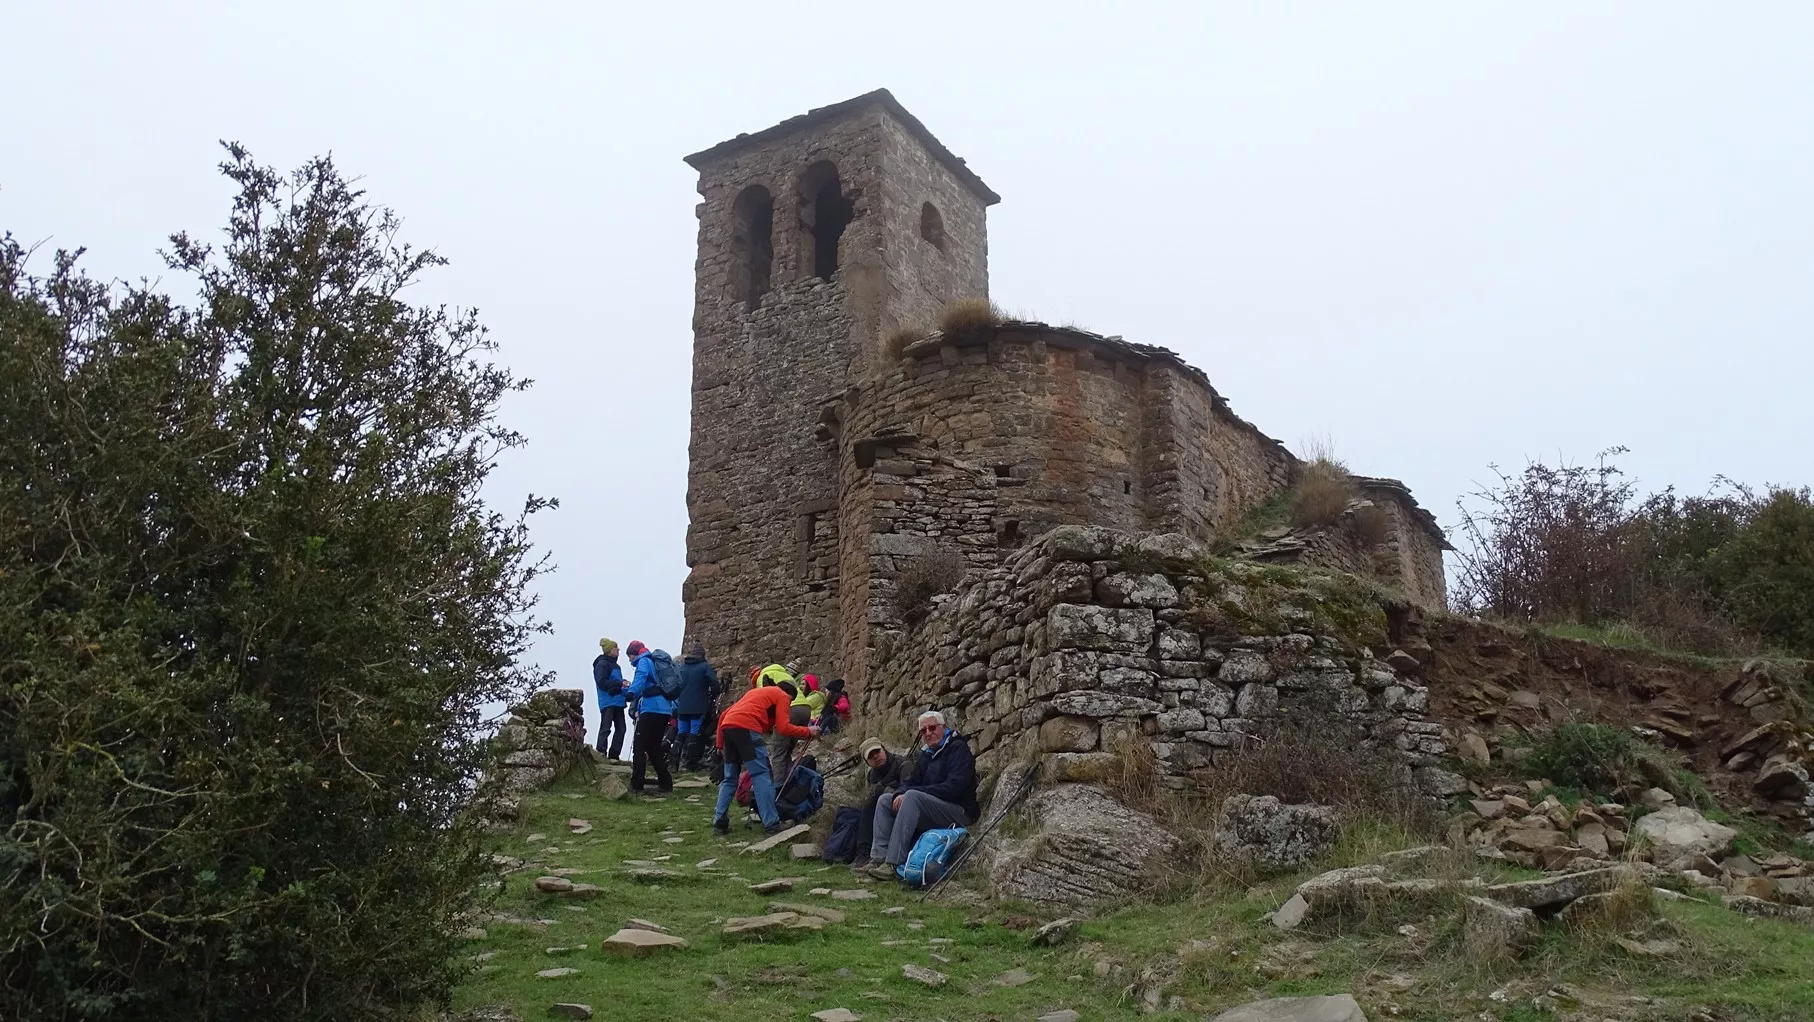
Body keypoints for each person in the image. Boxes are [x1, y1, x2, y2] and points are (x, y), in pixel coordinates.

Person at [862, 710, 979, 881]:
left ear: (943, 727)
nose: (928, 733)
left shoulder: (958, 749)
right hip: (935, 808)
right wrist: (900, 793)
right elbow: (911, 780)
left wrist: (913, 793)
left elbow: (956, 787)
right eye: (923, 731)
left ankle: (893, 863)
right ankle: (879, 857)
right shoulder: (926, 754)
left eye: (932, 728)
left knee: (913, 796)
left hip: (959, 811)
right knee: (886, 800)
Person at [713, 679, 820, 836]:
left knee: (730, 779)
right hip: (748, 728)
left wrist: (719, 746)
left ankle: (719, 822)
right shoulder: (783, 696)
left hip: (728, 728)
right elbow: (783, 727)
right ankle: (772, 823)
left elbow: (724, 715)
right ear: (789, 696)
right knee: (761, 776)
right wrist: (808, 731)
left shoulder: (754, 693)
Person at [623, 640, 674, 795]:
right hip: (664, 709)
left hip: (651, 709)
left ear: (634, 653)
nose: (630, 660)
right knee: (653, 747)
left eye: (630, 656)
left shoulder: (644, 662)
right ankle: (666, 783)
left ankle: (637, 785)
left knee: (639, 746)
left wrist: (631, 693)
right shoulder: (654, 662)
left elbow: (641, 678)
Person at [851, 736, 905, 869]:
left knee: (876, 802)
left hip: (902, 808)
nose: (876, 757)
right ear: (867, 762)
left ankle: (874, 855)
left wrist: (885, 789)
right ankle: (863, 852)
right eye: (871, 756)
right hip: (882, 812)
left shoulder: (903, 764)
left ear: (884, 750)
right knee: (866, 806)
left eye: (877, 752)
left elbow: (909, 789)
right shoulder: (872, 775)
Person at [672, 638, 720, 772]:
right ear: (702, 655)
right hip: (698, 707)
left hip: (682, 707)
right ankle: (691, 763)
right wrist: (713, 694)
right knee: (694, 734)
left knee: (681, 733)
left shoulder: (682, 667)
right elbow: (715, 685)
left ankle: (673, 762)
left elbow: (677, 685)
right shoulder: (704, 666)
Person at [773, 672, 825, 778]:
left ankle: (778, 785)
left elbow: (783, 728)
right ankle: (788, 779)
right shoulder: (783, 675)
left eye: (804, 684)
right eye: (800, 683)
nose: (801, 687)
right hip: (805, 715)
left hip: (799, 715)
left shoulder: (815, 696)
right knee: (787, 751)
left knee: (779, 752)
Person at [592, 639, 628, 762]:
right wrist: (619, 684)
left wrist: (623, 685)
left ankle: (614, 755)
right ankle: (601, 753)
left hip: (618, 701)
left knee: (621, 728)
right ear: (608, 650)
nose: (618, 649)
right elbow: (601, 682)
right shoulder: (602, 664)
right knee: (606, 727)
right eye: (615, 647)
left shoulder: (616, 665)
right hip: (608, 701)